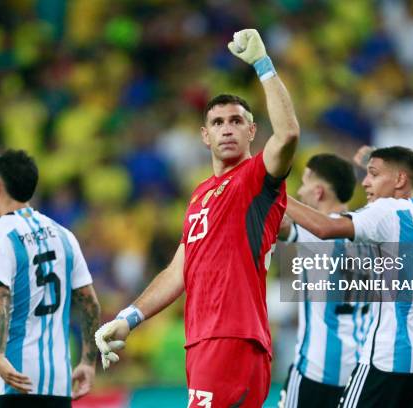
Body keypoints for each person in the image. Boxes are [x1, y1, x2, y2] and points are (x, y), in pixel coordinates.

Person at [95, 29, 300, 408]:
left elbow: (287, 135)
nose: (227, 128)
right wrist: (129, 318)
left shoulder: (255, 180)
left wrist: (263, 65)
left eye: (237, 121)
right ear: (205, 136)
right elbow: (179, 270)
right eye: (218, 122)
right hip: (207, 341)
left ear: (252, 131)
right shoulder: (199, 196)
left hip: (230, 338)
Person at [285, 146, 413, 408]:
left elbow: (326, 227)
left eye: (373, 174)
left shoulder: (386, 212)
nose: (365, 182)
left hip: (388, 356)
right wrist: (383, 164)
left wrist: (274, 190)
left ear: (399, 180)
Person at [0, 150, 101, 408]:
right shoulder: (64, 236)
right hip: (57, 384)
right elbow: (89, 303)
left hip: (6, 381)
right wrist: (87, 361)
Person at [278, 154, 371, 408]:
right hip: (358, 370)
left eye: (305, 182)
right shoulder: (370, 234)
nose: (300, 189)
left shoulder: (318, 232)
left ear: (319, 192)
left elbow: (278, 226)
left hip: (315, 368)